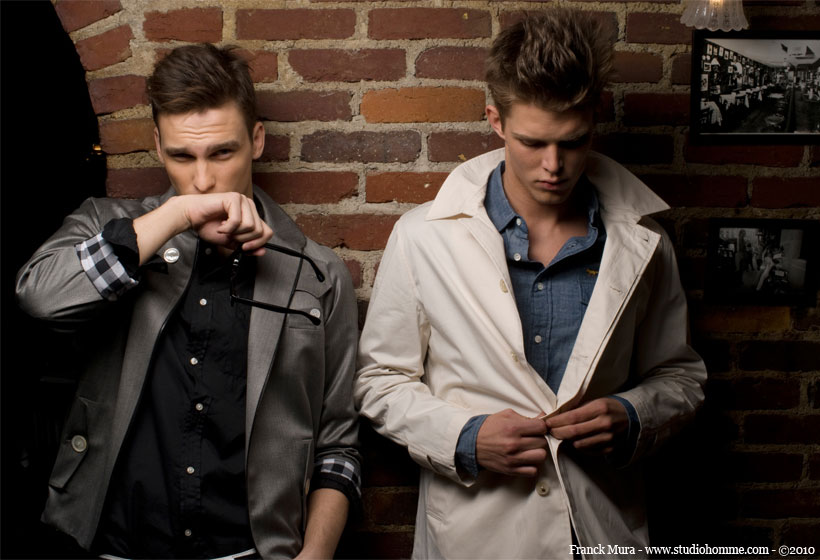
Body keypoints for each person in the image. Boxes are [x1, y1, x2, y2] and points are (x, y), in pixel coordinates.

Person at [355, 9, 706, 559]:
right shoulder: (423, 236)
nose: (554, 165)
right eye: (532, 142)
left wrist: (635, 415)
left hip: (599, 529)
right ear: (495, 120)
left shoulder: (645, 242)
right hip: (475, 535)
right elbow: (380, 380)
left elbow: (679, 376)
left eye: (573, 142)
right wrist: (463, 437)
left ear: (597, 115)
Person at [16, 44, 361, 559]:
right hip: (114, 546)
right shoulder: (105, 226)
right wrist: (179, 215)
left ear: (256, 141)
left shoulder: (317, 275)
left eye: (222, 153)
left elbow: (337, 445)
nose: (202, 180)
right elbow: (41, 297)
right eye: (182, 156)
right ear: (158, 146)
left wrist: (315, 554)